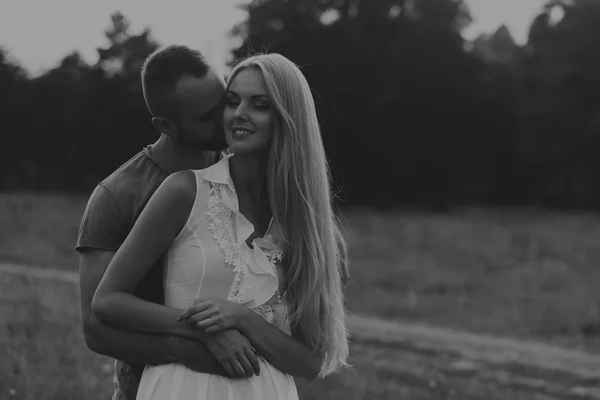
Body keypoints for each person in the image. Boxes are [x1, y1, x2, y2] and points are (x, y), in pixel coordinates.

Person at [92, 53, 350, 399]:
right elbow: (108, 300)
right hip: (182, 388)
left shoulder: (303, 223)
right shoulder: (184, 190)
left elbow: (309, 363)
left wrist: (243, 319)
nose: (238, 113)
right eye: (231, 101)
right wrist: (203, 329)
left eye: (259, 104)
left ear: (289, 118)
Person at [76, 45, 263, 400]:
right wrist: (195, 345)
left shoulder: (244, 172)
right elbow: (96, 330)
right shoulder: (117, 197)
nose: (228, 117)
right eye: (208, 116)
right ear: (165, 125)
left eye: (225, 101)